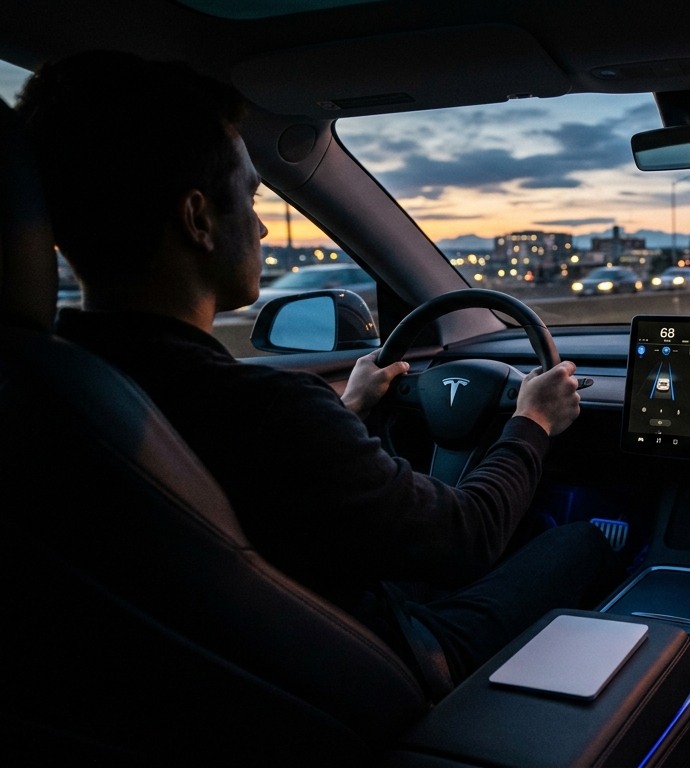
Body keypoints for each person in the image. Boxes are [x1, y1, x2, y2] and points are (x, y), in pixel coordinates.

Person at [16, 51, 619, 694]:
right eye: (250, 195)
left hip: (201, 682)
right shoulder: (265, 413)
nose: (265, 226)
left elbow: (257, 480)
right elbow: (467, 536)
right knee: (580, 540)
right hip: (383, 674)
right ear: (197, 219)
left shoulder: (50, 390)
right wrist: (532, 421)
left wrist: (347, 409)